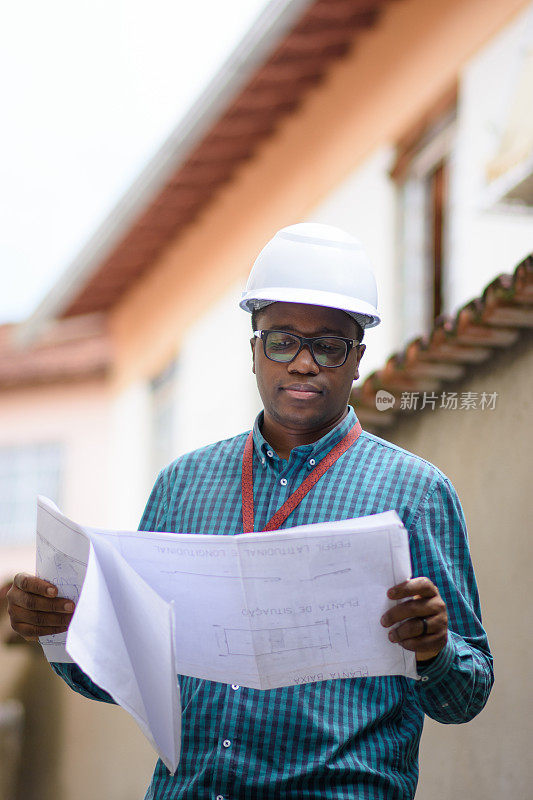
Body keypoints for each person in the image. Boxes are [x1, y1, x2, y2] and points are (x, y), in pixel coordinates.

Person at [8, 223, 493, 799]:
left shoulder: (416, 492)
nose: (304, 363)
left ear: (357, 358)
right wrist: (63, 629)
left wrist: (435, 649)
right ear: (254, 350)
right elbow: (127, 674)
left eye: (329, 344)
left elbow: (467, 696)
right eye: (282, 340)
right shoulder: (182, 487)